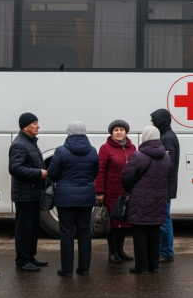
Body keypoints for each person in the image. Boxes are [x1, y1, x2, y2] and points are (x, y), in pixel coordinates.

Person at [47, 121, 99, 277]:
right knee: (85, 232)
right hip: (86, 197)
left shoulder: (61, 151)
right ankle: (84, 268)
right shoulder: (92, 150)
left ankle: (67, 269)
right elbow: (95, 173)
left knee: (67, 233)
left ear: (68, 133)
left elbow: (52, 174)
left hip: (65, 198)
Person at [122, 126, 171, 274]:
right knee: (155, 233)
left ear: (144, 137)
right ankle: (153, 266)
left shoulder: (138, 156)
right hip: (158, 200)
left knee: (140, 234)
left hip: (140, 200)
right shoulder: (166, 156)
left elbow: (126, 178)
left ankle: (141, 267)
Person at [8, 112, 49, 272]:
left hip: (33, 192)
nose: (38, 126)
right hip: (24, 194)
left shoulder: (30, 142)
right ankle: (22, 261)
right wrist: (38, 173)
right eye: (35, 123)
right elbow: (14, 168)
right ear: (25, 126)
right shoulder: (19, 144)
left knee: (32, 228)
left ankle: (30, 257)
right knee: (24, 229)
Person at [95, 119, 135, 264]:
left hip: (127, 192)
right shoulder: (105, 148)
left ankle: (120, 250)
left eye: (121, 130)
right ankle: (112, 252)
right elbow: (100, 171)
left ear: (126, 132)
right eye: (116, 130)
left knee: (124, 221)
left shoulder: (132, 148)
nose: (119, 132)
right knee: (113, 222)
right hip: (112, 192)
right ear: (112, 133)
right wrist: (99, 191)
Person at [150, 109, 179, 263]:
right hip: (164, 185)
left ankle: (167, 252)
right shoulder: (166, 135)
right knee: (163, 218)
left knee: (164, 220)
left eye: (153, 120)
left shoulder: (167, 138)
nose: (152, 124)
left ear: (160, 121)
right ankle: (165, 250)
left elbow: (168, 165)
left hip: (164, 186)